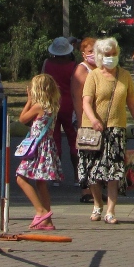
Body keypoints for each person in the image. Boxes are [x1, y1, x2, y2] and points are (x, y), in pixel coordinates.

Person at [79, 37, 134, 224]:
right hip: (93, 131)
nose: (111, 57)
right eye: (107, 55)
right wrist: (93, 120)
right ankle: (97, 204)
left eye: (114, 54)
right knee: (93, 171)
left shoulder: (125, 76)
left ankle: (110, 210)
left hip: (116, 130)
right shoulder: (93, 76)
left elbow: (132, 104)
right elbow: (86, 102)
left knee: (114, 172)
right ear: (100, 56)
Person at [15, 74, 63, 231]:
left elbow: (22, 119)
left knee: (21, 178)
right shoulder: (53, 106)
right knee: (41, 182)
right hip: (47, 146)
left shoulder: (38, 106)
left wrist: (29, 101)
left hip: (37, 148)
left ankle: (40, 210)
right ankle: (47, 219)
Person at [42, 37, 78, 169]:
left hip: (52, 104)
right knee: (73, 139)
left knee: (55, 139)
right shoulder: (74, 65)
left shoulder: (47, 63)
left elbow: (42, 83)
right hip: (70, 105)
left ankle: (56, 173)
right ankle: (76, 175)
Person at [72, 37, 97, 202]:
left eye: (96, 51)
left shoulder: (100, 68)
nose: (93, 54)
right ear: (83, 54)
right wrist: (81, 121)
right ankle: (86, 190)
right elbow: (76, 98)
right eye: (90, 52)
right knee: (86, 154)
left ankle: (95, 190)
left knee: (96, 154)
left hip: (96, 119)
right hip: (84, 119)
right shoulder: (82, 70)